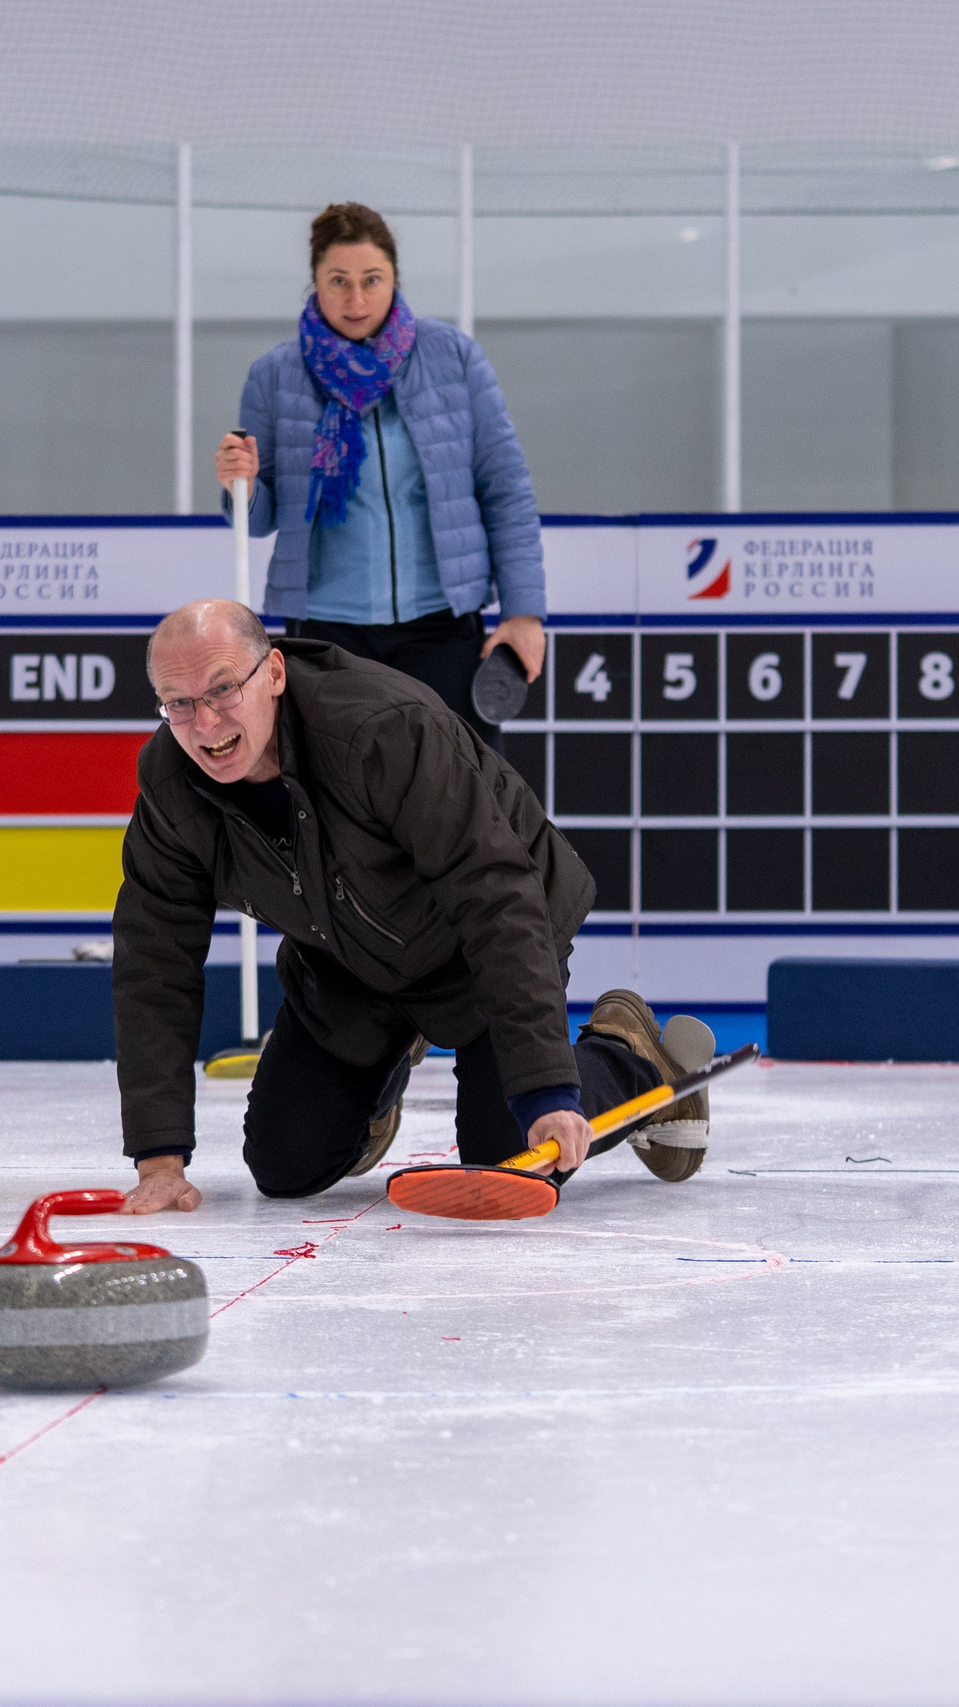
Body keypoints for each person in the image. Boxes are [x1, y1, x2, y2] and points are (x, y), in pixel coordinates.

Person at [112, 599, 718, 1214]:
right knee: (286, 1164)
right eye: (178, 703)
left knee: (510, 1160)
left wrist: (547, 1092)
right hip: (353, 965)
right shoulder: (169, 788)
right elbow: (153, 964)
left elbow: (496, 894)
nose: (206, 723)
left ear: (272, 673)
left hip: (478, 941)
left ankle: (635, 1059)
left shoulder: (380, 729)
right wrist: (159, 1158)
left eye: (222, 689)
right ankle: (382, 1072)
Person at [214, 201, 546, 748]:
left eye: (372, 279)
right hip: (326, 633)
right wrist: (239, 486)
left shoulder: (453, 358)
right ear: (315, 283)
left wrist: (525, 613)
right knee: (343, 802)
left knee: (459, 799)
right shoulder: (275, 376)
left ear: (395, 278)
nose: (356, 298)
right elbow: (261, 516)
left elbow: (506, 490)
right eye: (338, 280)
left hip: (441, 627)